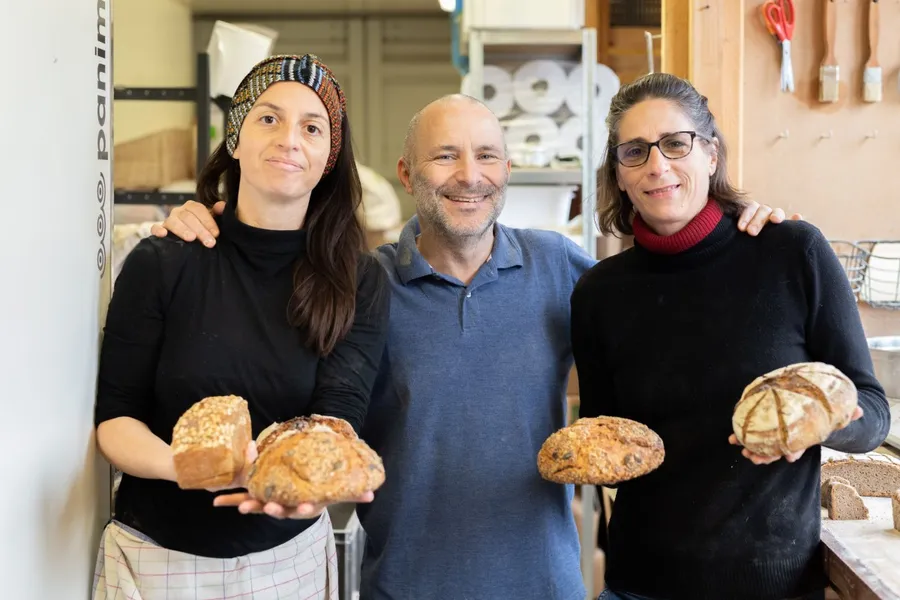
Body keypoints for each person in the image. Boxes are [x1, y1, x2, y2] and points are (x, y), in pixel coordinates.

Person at [151, 93, 796, 599]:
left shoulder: (561, 268)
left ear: (507, 170)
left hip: (546, 589)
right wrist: (202, 225)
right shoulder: (358, 284)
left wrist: (743, 229)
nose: (469, 176)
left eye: (487, 155)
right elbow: (264, 324)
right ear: (406, 172)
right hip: (401, 589)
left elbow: (675, 317)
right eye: (444, 157)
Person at [571, 72, 890, 600]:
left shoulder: (792, 252)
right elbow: (608, 445)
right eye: (635, 152)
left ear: (711, 155)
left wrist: (815, 426)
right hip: (640, 585)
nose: (658, 165)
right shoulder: (599, 293)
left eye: (677, 143)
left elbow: (873, 416)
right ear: (619, 176)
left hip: (773, 585)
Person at [92, 54, 390, 600]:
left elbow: (336, 415)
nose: (290, 139)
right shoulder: (164, 262)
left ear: (329, 155)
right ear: (234, 138)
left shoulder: (357, 279)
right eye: (268, 118)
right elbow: (115, 421)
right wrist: (192, 467)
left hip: (290, 561)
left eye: (312, 126)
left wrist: (307, 486)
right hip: (157, 559)